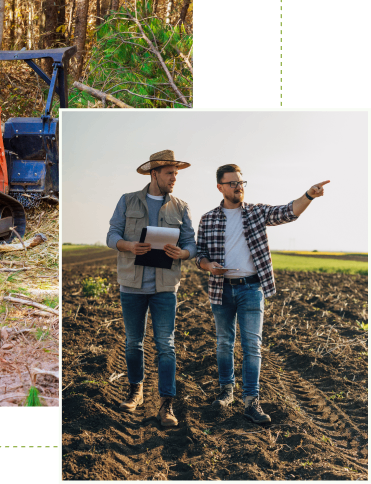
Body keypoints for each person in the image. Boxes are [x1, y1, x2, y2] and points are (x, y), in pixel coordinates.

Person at [196, 163, 330, 424]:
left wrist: (309, 196)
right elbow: (200, 254)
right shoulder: (208, 218)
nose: (239, 187)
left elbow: (288, 212)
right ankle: (226, 392)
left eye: (241, 182)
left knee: (252, 347)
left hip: (251, 288)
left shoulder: (257, 213)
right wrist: (208, 266)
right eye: (233, 183)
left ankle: (251, 401)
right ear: (220, 187)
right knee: (224, 343)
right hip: (221, 289)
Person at [106, 150, 197, 427]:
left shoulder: (181, 207)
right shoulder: (127, 200)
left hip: (165, 287)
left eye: (176, 173)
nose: (174, 178)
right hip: (132, 285)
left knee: (166, 346)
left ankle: (167, 405)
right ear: (154, 173)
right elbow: (112, 235)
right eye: (170, 173)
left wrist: (184, 254)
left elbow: (191, 243)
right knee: (133, 342)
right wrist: (129, 245)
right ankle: (136, 392)